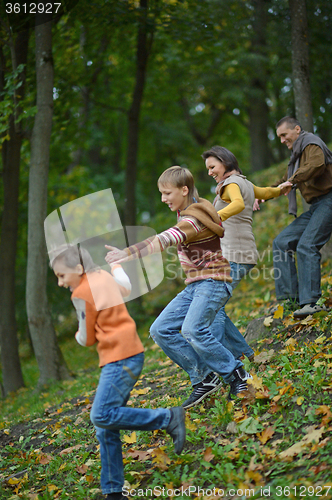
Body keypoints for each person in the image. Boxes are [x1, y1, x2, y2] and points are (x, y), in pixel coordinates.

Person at [105, 166, 252, 409]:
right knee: (161, 329)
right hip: (196, 284)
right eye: (161, 194)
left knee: (193, 329)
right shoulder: (189, 209)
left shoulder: (192, 219)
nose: (163, 199)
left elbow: (164, 239)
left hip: (214, 282)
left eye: (167, 193)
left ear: (184, 190)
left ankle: (237, 375)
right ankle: (205, 377)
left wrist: (127, 254)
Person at [51, 245, 186, 500]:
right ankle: (113, 490)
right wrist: (116, 266)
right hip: (131, 352)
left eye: (61, 275)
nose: (60, 282)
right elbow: (125, 287)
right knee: (107, 424)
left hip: (118, 358)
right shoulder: (102, 276)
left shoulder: (80, 292)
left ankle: (167, 419)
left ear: (78, 269)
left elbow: (86, 338)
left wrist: (78, 335)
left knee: (101, 415)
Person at [202, 146, 290, 359]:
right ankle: (243, 355)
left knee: (211, 308)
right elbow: (264, 192)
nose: (210, 172)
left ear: (225, 162)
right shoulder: (244, 183)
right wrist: (280, 189)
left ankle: (222, 360)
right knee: (214, 306)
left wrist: (212, 219)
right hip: (241, 253)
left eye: (212, 167)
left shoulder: (230, 184)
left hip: (234, 255)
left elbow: (238, 204)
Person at [272, 116, 332, 319]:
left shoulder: (311, 143)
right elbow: (285, 181)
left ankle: (311, 303)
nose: (282, 140)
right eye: (279, 137)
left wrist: (292, 180)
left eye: (284, 135)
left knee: (306, 245)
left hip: (329, 200)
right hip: (317, 205)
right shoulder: (297, 155)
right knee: (281, 242)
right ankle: (290, 300)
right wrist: (261, 195)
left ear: (297, 129)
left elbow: (317, 164)